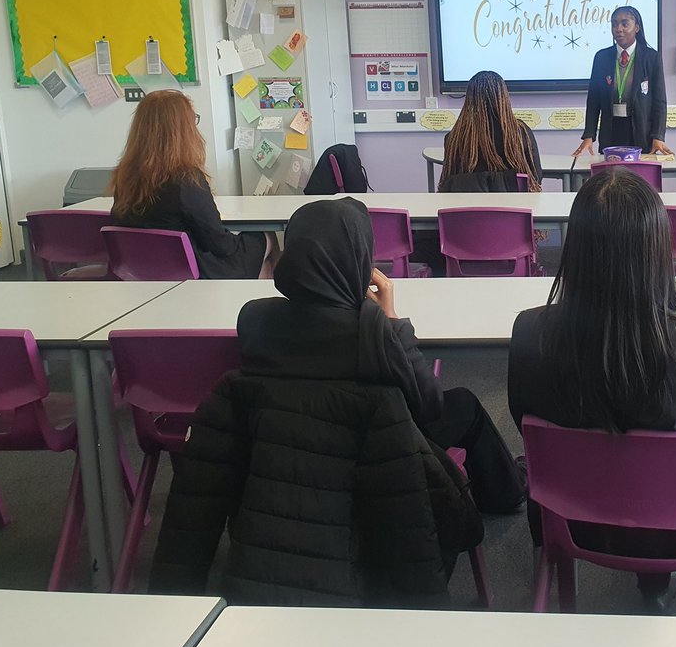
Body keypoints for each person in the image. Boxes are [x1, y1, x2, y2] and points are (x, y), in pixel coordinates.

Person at [149, 198, 525, 605]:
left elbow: (194, 507)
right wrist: (394, 321)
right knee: (464, 405)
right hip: (379, 484)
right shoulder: (373, 333)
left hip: (276, 499)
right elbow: (427, 406)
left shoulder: (257, 325)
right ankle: (507, 492)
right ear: (360, 259)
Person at [508, 169, 676, 608]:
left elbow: (523, 421)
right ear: (657, 247)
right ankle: (660, 585)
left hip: (568, 516)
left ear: (575, 248)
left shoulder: (530, 331)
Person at [109, 89, 275, 279]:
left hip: (145, 269)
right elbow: (219, 243)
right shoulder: (186, 179)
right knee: (266, 238)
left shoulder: (125, 175)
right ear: (183, 130)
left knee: (256, 260)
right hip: (193, 270)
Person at [572, 6, 671, 157]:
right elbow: (593, 101)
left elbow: (659, 102)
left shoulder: (651, 58)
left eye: (625, 24)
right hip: (611, 133)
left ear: (637, 27)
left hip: (641, 134)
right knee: (611, 178)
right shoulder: (602, 58)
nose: (618, 29)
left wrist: (658, 136)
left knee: (638, 180)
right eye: (614, 24)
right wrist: (589, 136)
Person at [438, 70, 542, 192]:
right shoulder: (520, 133)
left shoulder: (455, 137)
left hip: (467, 209)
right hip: (514, 209)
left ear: (469, 99)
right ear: (503, 97)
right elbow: (536, 178)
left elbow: (448, 183)